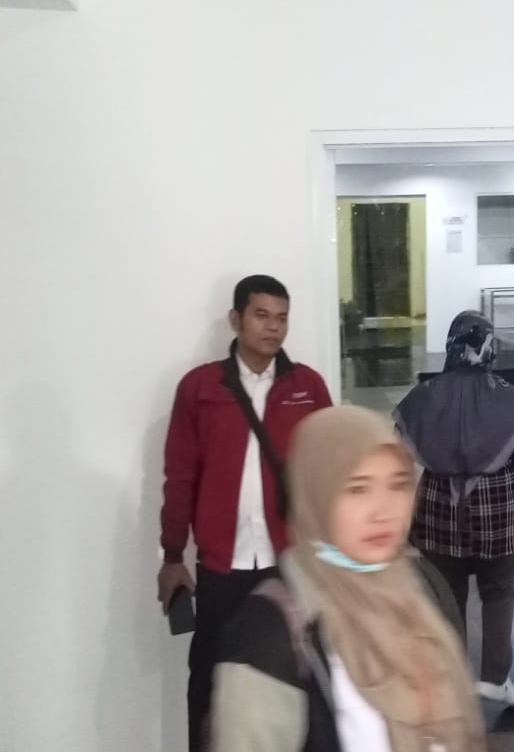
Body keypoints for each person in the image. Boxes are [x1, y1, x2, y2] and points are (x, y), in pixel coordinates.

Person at [211, 406, 487, 752]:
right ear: (318, 494)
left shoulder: (422, 585)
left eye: (398, 485)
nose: (383, 511)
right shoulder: (272, 629)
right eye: (357, 489)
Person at [158, 274, 335, 751]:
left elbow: (327, 471)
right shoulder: (200, 388)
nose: (273, 327)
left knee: (295, 678)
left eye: (282, 318)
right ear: (236, 319)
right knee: (210, 681)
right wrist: (172, 554)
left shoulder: (307, 387)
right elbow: (180, 475)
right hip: (222, 566)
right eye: (261, 315)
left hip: (290, 563)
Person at [395, 310, 514, 709]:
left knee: (446, 596)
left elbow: (398, 451)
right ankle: (496, 679)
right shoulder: (510, 397)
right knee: (498, 592)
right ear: (489, 346)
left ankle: (449, 682)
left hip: (438, 509)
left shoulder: (423, 396)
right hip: (498, 509)